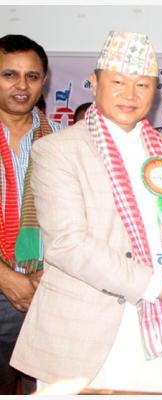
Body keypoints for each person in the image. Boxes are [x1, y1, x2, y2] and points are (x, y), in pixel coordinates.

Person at [10, 31, 162, 394]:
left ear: (154, 92)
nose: (130, 94)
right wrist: (157, 288)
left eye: (142, 84)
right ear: (94, 83)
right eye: (118, 82)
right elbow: (68, 244)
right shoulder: (57, 150)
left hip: (159, 328)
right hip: (81, 334)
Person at [0, 34, 60, 395]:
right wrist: (5, 277)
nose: (22, 86)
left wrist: (47, 270)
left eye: (32, 76)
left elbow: (75, 219)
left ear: (44, 81)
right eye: (10, 75)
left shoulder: (61, 142)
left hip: (47, 287)